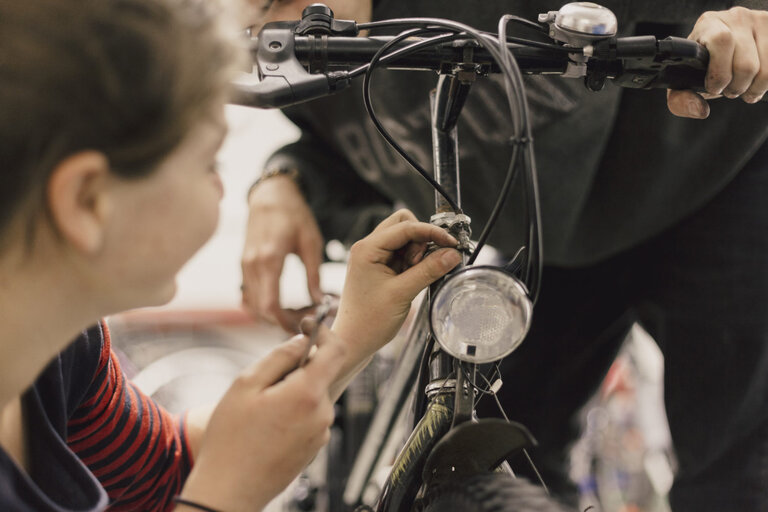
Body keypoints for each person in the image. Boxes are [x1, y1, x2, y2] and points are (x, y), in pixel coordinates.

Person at [240, 0, 768, 510]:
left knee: (732, 470)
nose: (265, 30)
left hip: (714, 179)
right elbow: (338, 154)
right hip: (555, 234)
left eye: (271, 2)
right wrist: (282, 179)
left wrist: (746, 18)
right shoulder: (305, 61)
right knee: (504, 436)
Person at [0, 0, 463, 510]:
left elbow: (163, 470)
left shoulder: (64, 350)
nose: (223, 188)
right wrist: (224, 498)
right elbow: (208, 482)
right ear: (87, 201)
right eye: (208, 162)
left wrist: (348, 338)